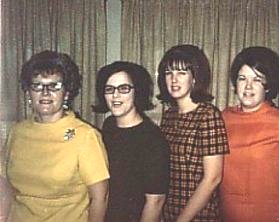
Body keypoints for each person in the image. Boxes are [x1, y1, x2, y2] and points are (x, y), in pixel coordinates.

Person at [4, 50, 109, 222]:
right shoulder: (17, 132)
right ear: (28, 92)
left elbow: (100, 198)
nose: (45, 93)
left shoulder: (85, 136)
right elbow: (5, 185)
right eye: (37, 85)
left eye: (54, 86)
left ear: (66, 93)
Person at [220, 46, 279, 222]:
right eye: (242, 78)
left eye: (257, 79)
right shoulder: (224, 117)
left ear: (268, 86)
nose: (248, 86)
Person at [157, 44, 229, 222]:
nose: (174, 79)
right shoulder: (169, 115)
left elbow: (213, 178)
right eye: (169, 72)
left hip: (198, 216)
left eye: (182, 73)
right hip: (168, 212)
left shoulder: (208, 115)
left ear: (195, 78)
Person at [93, 61, 169, 222]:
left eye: (123, 89)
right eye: (109, 89)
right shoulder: (109, 125)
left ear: (137, 92)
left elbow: (155, 201)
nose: (115, 96)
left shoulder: (152, 139)